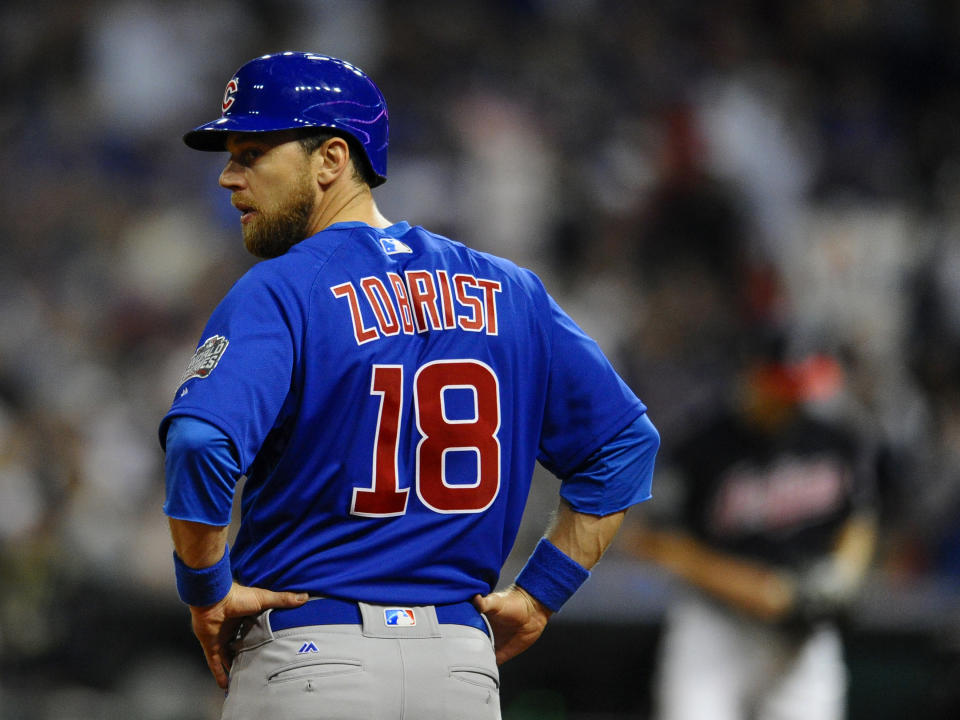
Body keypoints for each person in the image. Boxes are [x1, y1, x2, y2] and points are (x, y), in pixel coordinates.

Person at [158, 52, 659, 720]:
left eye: (251, 152)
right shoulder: (511, 290)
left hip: (313, 659)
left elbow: (198, 443)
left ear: (331, 159)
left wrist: (206, 588)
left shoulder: (283, 288)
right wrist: (541, 592)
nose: (228, 176)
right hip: (459, 668)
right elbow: (624, 446)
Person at [625, 344, 877, 720]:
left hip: (801, 637)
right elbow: (651, 539)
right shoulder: (703, 445)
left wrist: (840, 576)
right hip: (714, 630)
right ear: (753, 377)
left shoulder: (834, 439)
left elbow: (858, 520)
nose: (794, 400)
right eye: (784, 387)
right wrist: (757, 589)